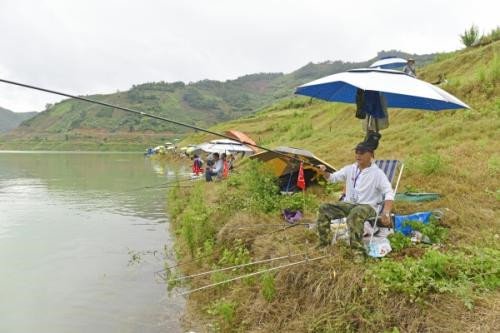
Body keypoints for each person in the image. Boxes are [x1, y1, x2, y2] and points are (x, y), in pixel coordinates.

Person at [315, 141, 394, 254]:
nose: (358, 155)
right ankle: (324, 244)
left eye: (362, 152)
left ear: (371, 155)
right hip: (349, 204)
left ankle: (358, 252)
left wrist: (386, 212)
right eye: (356, 152)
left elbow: (389, 192)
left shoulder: (378, 174)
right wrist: (324, 172)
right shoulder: (350, 169)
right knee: (324, 208)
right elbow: (332, 178)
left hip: (368, 206)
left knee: (356, 213)